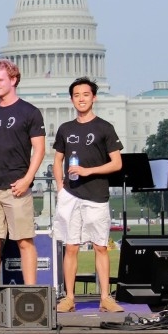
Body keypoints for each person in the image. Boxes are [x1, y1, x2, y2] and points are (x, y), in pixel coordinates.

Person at [0, 59, 45, 285]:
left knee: (24, 241)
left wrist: (27, 179)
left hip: (17, 187)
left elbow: (39, 150)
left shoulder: (30, 112)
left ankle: (31, 292)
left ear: (13, 80)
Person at [51, 77, 123, 313]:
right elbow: (58, 159)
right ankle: (69, 297)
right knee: (71, 247)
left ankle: (105, 297)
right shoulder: (65, 129)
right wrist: (60, 186)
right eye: (77, 95)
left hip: (96, 195)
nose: (81, 99)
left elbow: (116, 163)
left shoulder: (105, 127)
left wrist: (88, 171)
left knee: (100, 246)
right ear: (72, 99)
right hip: (71, 195)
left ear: (94, 97)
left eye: (85, 94)